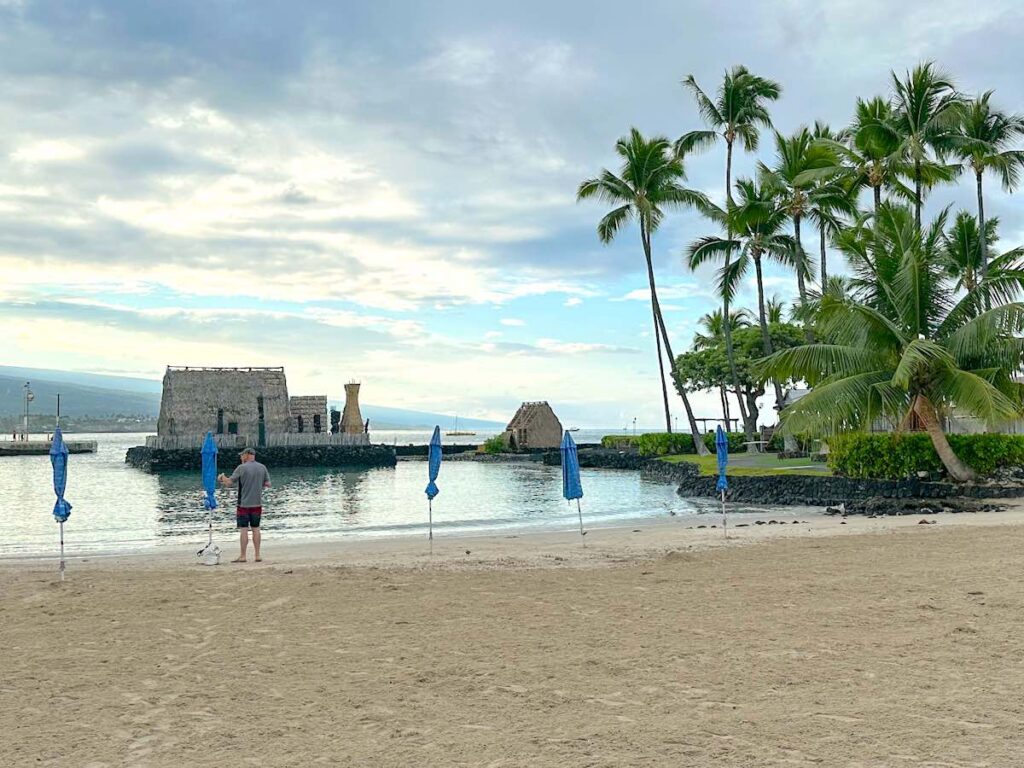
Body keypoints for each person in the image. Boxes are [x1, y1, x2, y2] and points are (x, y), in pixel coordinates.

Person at [218, 447, 271, 563]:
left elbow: (229, 483)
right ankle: (257, 555)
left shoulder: (241, 468)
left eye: (242, 455)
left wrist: (222, 478)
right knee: (256, 528)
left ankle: (243, 556)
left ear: (247, 455)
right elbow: (268, 484)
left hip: (243, 504)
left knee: (244, 530)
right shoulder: (262, 467)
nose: (241, 457)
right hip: (257, 503)